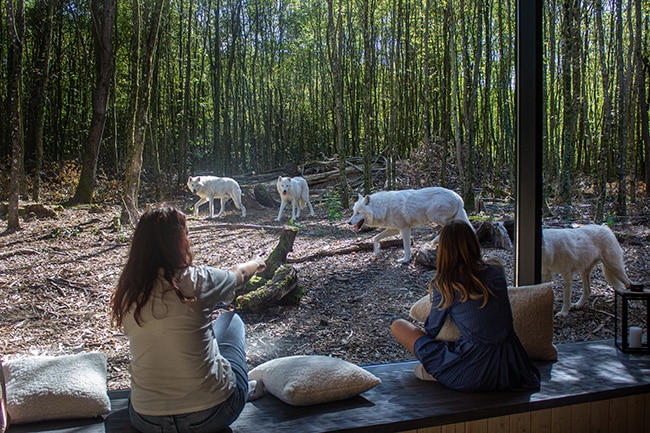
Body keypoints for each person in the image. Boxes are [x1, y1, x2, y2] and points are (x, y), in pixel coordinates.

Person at [110, 205, 265, 433]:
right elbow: (239, 275)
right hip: (213, 413)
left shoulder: (128, 292)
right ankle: (242, 388)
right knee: (231, 320)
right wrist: (257, 262)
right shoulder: (197, 280)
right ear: (178, 241)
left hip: (147, 420)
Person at [391, 220, 540, 392]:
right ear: (473, 243)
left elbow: (432, 329)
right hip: (511, 366)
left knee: (398, 326)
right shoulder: (496, 271)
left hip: (473, 370)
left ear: (443, 250)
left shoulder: (446, 284)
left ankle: (441, 371)